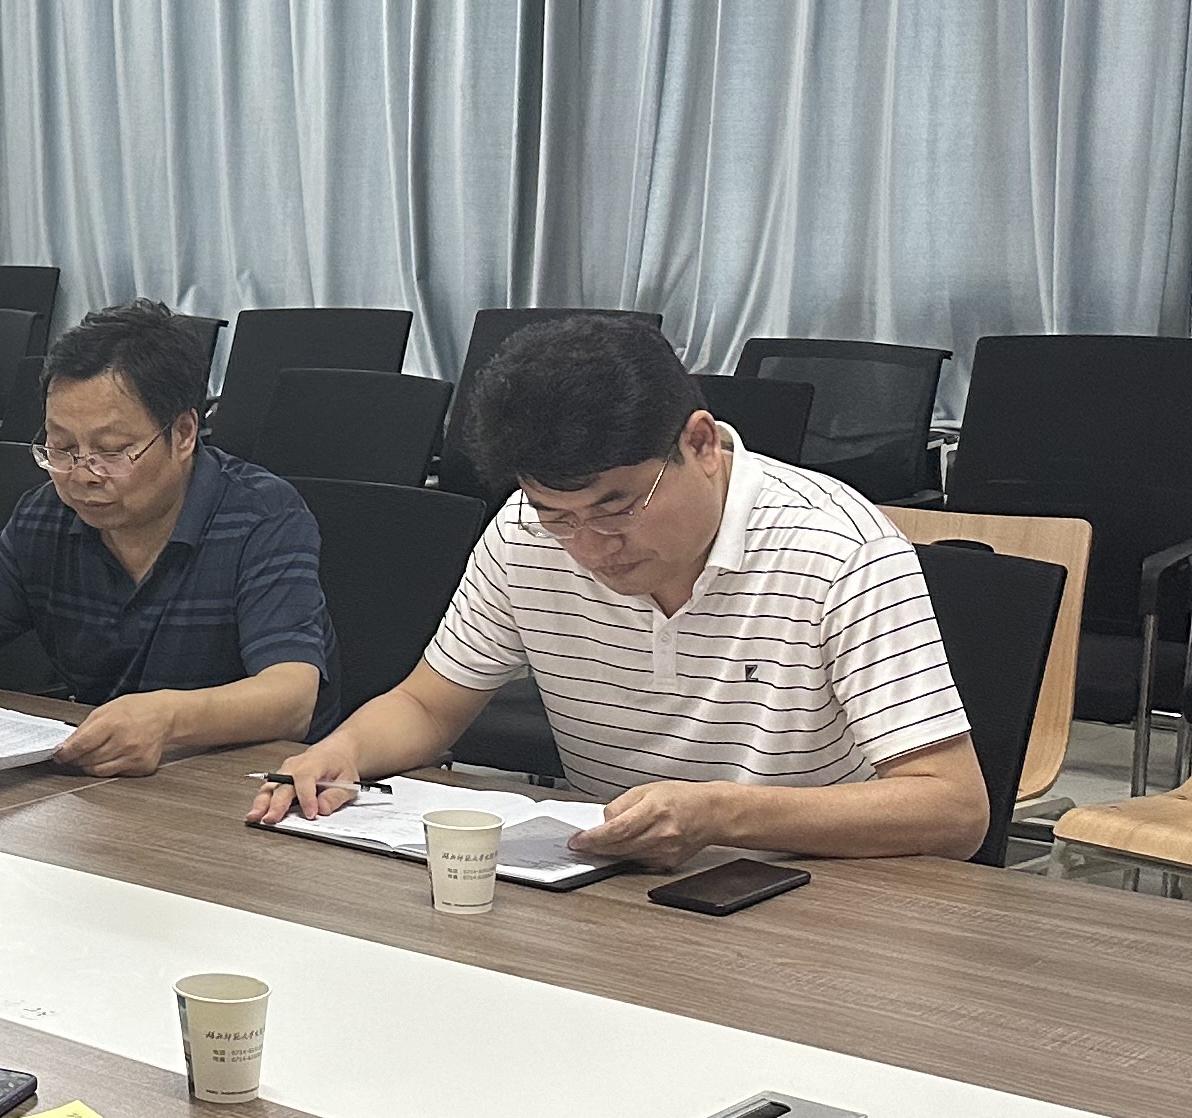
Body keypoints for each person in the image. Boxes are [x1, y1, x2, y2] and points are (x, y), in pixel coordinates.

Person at [253, 317, 988, 866]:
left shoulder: (837, 550)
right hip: (614, 881)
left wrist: (720, 815)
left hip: (816, 889)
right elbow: (427, 706)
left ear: (700, 443)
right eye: (559, 516)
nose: (592, 547)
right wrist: (343, 750)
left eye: (618, 508)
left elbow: (953, 808)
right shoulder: (524, 533)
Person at [0, 303, 334, 777]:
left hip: (253, 782)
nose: (83, 475)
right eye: (62, 447)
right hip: (107, 781)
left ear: (183, 433)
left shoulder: (261, 515)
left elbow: (291, 697)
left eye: (112, 451)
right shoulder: (46, 515)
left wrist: (167, 718)